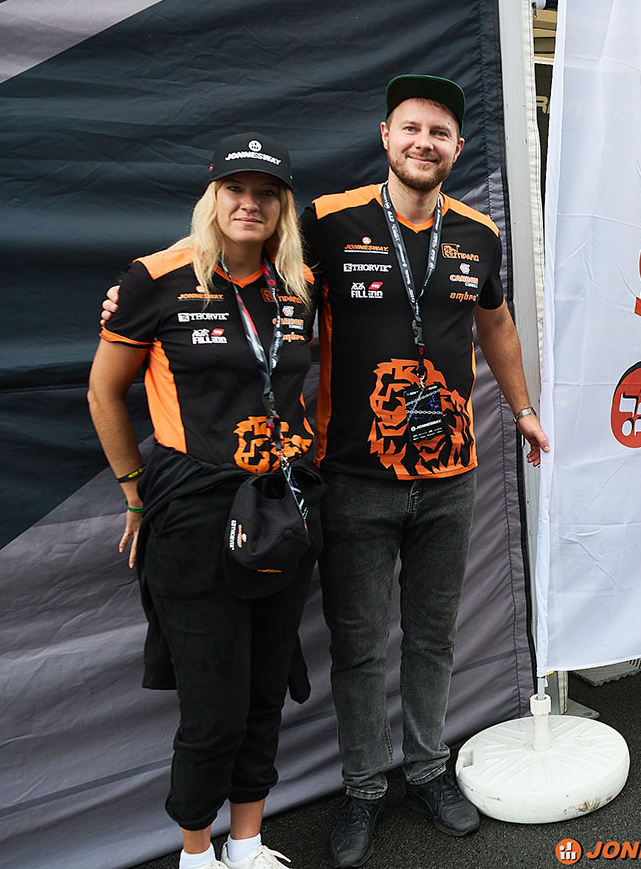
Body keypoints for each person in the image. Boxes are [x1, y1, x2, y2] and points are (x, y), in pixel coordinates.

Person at [102, 76, 548, 866]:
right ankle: (364, 787)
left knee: (434, 637)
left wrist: (522, 408)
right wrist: (134, 299)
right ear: (386, 136)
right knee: (359, 644)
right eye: (410, 128)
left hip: (450, 476)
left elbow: (497, 323)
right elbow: (243, 265)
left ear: (457, 148)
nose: (424, 143)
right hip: (348, 476)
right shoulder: (327, 221)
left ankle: (428, 770)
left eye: (439, 133)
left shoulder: (480, 232)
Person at [89, 133, 316, 869]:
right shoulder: (155, 277)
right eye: (235, 190)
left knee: (266, 688)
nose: (250, 205)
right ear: (212, 198)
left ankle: (247, 844)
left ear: (283, 207)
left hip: (281, 507)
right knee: (213, 704)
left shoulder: (300, 286)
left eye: (266, 194)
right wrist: (134, 495)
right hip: (194, 510)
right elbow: (103, 392)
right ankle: (195, 852)